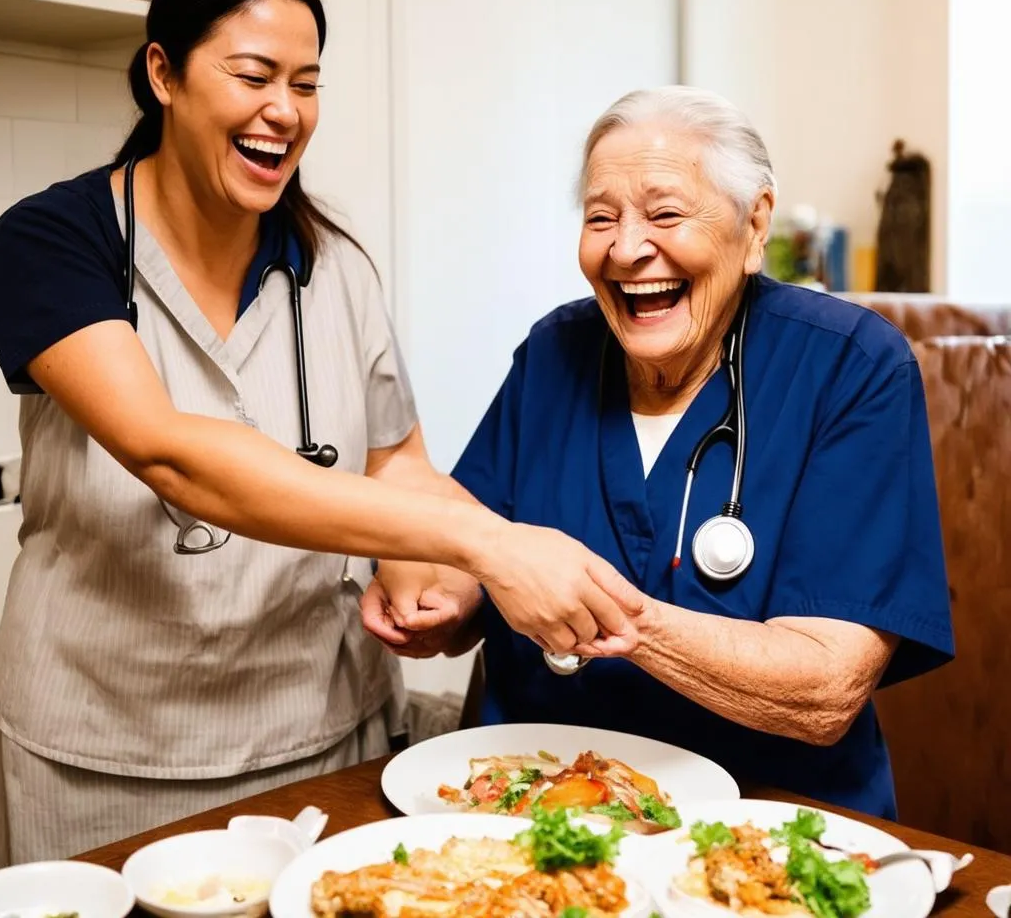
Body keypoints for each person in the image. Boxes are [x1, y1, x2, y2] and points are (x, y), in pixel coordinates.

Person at [0, 0, 643, 862]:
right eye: (253, 75)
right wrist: (486, 543)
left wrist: (440, 586)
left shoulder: (333, 266)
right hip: (107, 757)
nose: (285, 112)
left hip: (323, 739)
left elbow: (396, 462)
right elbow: (164, 448)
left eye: (307, 82)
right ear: (163, 73)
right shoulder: (49, 244)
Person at [363, 85, 954, 819]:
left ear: (755, 223)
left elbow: (826, 688)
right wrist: (443, 602)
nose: (627, 248)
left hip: (760, 832)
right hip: (528, 819)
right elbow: (473, 551)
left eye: (665, 213)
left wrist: (603, 613)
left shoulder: (850, 366)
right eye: (600, 217)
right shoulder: (556, 354)